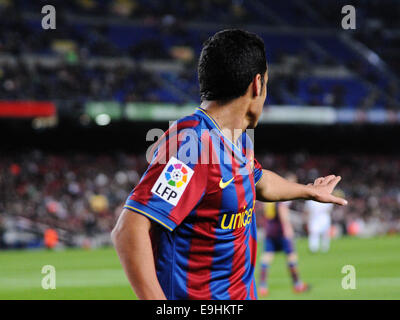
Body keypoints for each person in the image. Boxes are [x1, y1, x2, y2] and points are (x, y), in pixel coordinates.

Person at [111, 29, 347, 300]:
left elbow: (259, 181)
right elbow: (129, 228)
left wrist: (307, 191)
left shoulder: (237, 139)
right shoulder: (193, 145)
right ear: (257, 85)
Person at [259, 173, 309, 296]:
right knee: (291, 256)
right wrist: (287, 229)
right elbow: (282, 209)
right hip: (281, 230)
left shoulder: (271, 191)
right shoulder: (283, 194)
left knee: (267, 256)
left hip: (270, 229)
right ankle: (297, 284)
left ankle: (262, 286)